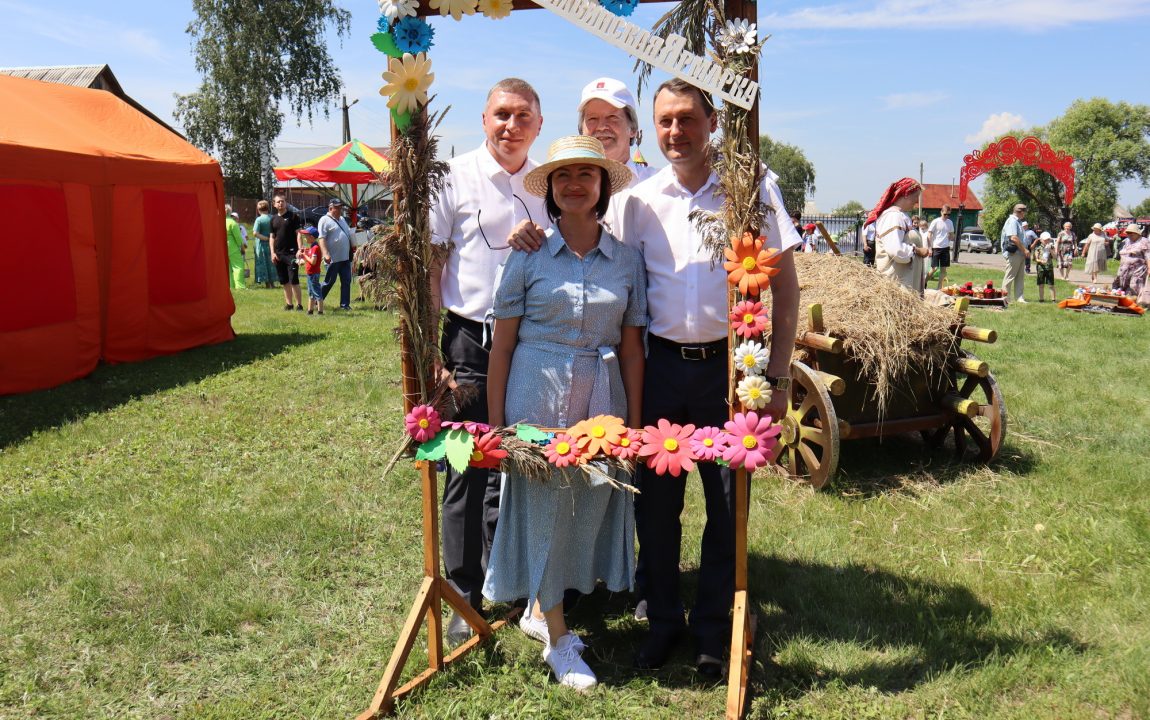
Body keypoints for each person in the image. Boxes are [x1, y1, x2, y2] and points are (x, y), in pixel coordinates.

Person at [615, 79, 799, 678]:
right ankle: (664, 620)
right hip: (662, 368)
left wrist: (775, 375)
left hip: (730, 369)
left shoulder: (751, 190)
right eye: (665, 120)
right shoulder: (639, 199)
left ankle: (715, 629)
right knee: (657, 505)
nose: (676, 132)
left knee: (727, 505)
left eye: (687, 118)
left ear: (713, 120)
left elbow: (787, 288)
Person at [484, 135, 643, 691]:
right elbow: (500, 347)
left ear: (602, 187)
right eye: (563, 175)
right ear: (549, 189)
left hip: (604, 398)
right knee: (546, 507)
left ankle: (542, 607)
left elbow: (630, 348)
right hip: (536, 392)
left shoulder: (626, 260)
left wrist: (636, 427)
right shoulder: (526, 255)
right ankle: (557, 637)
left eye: (586, 174)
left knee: (589, 505)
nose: (575, 184)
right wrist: (499, 425)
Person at [428, 78, 547, 645]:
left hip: (529, 344)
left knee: (517, 460)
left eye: (523, 116)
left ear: (538, 127)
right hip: (469, 343)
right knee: (465, 469)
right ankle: (462, 594)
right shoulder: (454, 178)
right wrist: (431, 351)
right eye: (502, 114)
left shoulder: (549, 184)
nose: (511, 125)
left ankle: (510, 581)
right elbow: (431, 264)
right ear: (483, 119)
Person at [577, 77, 655, 190]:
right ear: (581, 130)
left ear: (633, 129)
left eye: (612, 117)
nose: (602, 127)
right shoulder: (564, 190)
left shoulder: (659, 186)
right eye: (592, 118)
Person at [869, 179, 930, 295]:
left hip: (904, 286)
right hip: (896, 287)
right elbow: (896, 251)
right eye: (916, 197)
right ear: (906, 194)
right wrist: (918, 250)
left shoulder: (900, 216)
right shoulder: (893, 217)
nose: (917, 202)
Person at [318, 198, 355, 310]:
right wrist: (325, 254)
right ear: (330, 208)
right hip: (333, 258)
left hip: (345, 257)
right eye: (337, 207)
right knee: (329, 281)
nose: (340, 209)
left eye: (340, 207)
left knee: (346, 281)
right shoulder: (324, 220)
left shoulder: (342, 219)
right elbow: (321, 238)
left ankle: (345, 305)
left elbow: (348, 233)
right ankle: (316, 301)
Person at [270, 193, 304, 310]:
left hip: (292, 253)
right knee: (284, 281)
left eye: (283, 201)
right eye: (278, 202)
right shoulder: (273, 219)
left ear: (286, 203)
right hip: (279, 254)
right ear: (274, 204)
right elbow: (272, 237)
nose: (281, 203)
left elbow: (299, 234)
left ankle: (299, 304)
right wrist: (272, 253)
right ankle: (289, 304)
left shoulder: (293, 217)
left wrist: (300, 249)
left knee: (294, 280)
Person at [1000, 203, 1029, 303]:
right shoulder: (1012, 221)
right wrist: (1024, 250)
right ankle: (1005, 298)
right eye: (1024, 212)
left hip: (1019, 253)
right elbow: (1013, 237)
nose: (1025, 214)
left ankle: (1019, 297)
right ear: (1020, 212)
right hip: (1014, 252)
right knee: (1010, 276)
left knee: (1020, 277)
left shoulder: (1018, 222)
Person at [1112, 224, 1149, 299]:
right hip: (1124, 268)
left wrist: (1149, 267)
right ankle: (1123, 300)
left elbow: (1148, 255)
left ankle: (1134, 302)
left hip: (1138, 269)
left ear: (1137, 233)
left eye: (1131, 233)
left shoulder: (1144, 241)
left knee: (1134, 285)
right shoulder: (1127, 241)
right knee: (1120, 284)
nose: (1129, 235)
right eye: (1128, 233)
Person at [297, 226, 324, 315]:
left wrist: (304, 256)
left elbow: (313, 261)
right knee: (311, 293)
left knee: (316, 292)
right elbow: (309, 256)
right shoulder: (312, 247)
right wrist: (304, 252)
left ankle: (320, 311)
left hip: (313, 274)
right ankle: (310, 311)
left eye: (306, 236)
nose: (305, 238)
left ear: (312, 237)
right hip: (310, 274)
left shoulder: (315, 248)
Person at [927, 205, 954, 289]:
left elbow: (952, 234)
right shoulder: (935, 221)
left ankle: (939, 288)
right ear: (941, 212)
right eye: (945, 214)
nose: (947, 216)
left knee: (943, 270)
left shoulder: (950, 222)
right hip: (936, 247)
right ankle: (923, 282)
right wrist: (929, 248)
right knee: (934, 268)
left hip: (945, 248)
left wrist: (949, 239)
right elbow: (929, 234)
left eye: (948, 214)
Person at [252, 200, 276, 289]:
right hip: (272, 244)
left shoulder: (259, 219)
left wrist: (266, 238)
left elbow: (255, 233)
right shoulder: (273, 217)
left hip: (262, 245)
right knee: (271, 263)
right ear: (268, 208)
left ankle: (267, 284)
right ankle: (272, 283)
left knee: (264, 263)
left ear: (258, 209)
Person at [224, 205, 246, 290]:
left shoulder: (218, 221)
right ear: (230, 212)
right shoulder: (232, 223)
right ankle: (240, 286)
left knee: (228, 268)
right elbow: (238, 238)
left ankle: (230, 286)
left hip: (223, 249)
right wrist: (242, 248)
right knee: (238, 267)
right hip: (233, 248)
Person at [1034, 231, 1057, 302]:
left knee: (1051, 284)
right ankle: (1041, 299)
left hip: (1049, 267)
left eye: (1048, 239)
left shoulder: (1051, 247)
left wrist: (1050, 250)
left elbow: (1055, 257)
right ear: (1041, 240)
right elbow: (1035, 258)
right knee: (1041, 284)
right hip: (1041, 268)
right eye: (1045, 240)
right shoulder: (1038, 248)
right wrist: (1040, 261)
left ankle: (1053, 299)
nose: (1047, 241)